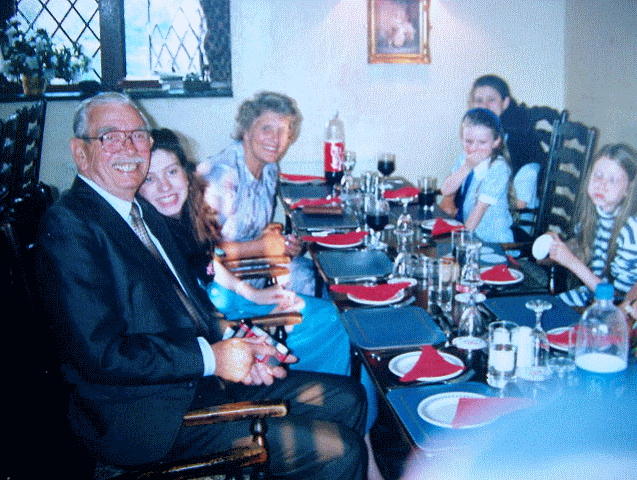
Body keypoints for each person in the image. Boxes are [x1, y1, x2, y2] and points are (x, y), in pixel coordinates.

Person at [37, 92, 368, 479]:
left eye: (138, 135)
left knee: (350, 397)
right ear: (80, 152)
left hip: (195, 380)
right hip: (148, 415)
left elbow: (191, 305)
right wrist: (212, 357)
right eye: (110, 136)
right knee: (341, 451)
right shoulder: (70, 225)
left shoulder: (140, 211)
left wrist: (242, 342)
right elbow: (101, 354)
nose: (129, 147)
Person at [138, 128, 384, 478]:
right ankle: (348, 450)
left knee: (348, 377)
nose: (165, 186)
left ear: (186, 173)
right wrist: (235, 344)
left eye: (172, 171)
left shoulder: (176, 223)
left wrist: (251, 295)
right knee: (335, 324)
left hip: (220, 336)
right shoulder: (144, 240)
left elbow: (208, 263)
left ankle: (359, 449)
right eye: (150, 178)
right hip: (199, 382)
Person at [198, 91, 317, 296]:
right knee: (311, 283)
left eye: (283, 131)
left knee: (316, 275)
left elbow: (251, 228)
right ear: (246, 131)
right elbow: (202, 253)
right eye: (266, 128)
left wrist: (285, 244)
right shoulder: (222, 175)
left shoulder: (269, 168)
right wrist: (261, 247)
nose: (276, 139)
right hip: (222, 287)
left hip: (255, 272)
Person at [545, 143, 637, 308]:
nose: (601, 184)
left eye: (612, 180)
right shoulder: (594, 213)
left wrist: (571, 262)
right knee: (540, 308)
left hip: (613, 310)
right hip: (588, 295)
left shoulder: (631, 231)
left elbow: (617, 299)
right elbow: (581, 246)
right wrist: (557, 245)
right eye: (598, 175)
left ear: (628, 190)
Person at [469, 74, 545, 218]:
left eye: (491, 100)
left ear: (505, 102)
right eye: (479, 100)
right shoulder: (482, 130)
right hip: (486, 205)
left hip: (513, 215)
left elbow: (520, 200)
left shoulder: (519, 135)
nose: (484, 106)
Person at [440, 107, 514, 243]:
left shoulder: (498, 168)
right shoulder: (465, 158)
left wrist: (460, 243)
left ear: (496, 141)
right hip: (470, 234)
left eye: (482, 142)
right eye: (468, 141)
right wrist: (467, 167)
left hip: (492, 241)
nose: (473, 148)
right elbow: (446, 190)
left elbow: (479, 210)